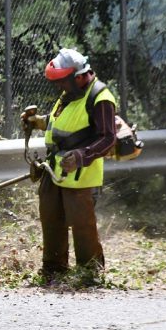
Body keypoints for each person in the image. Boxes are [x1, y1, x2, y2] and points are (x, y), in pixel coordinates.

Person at [21, 48, 116, 284]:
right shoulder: (69, 95)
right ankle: (54, 270)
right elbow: (60, 122)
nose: (60, 87)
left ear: (80, 75)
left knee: (81, 224)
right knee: (51, 218)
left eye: (63, 81)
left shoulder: (100, 97)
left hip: (80, 174)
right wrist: (37, 122)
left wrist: (82, 156)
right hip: (54, 169)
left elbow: (108, 138)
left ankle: (90, 272)